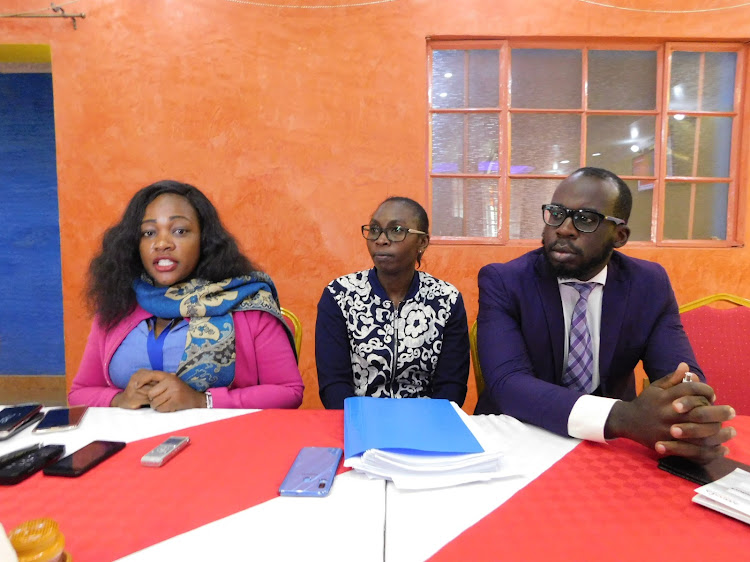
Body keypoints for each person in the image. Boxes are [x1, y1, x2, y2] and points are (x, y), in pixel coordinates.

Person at [474, 167, 735, 462]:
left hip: (610, 448)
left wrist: (689, 411)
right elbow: (508, 384)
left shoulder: (649, 284)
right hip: (515, 440)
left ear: (619, 235)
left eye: (586, 219)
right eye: (557, 213)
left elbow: (678, 372)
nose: (564, 228)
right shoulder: (505, 281)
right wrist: (623, 417)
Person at [69, 180, 304, 411]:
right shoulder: (118, 304)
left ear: (204, 239)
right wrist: (119, 399)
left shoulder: (247, 303)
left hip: (225, 441)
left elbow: (288, 391)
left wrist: (202, 401)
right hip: (133, 444)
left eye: (179, 231)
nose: (162, 243)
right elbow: (80, 392)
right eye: (148, 232)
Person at [316, 196, 469, 409]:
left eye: (396, 230)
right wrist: (361, 424)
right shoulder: (340, 295)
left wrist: (427, 429)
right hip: (359, 420)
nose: (381, 239)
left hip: (426, 423)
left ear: (422, 242)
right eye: (375, 229)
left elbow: (452, 386)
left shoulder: (445, 299)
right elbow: (333, 384)